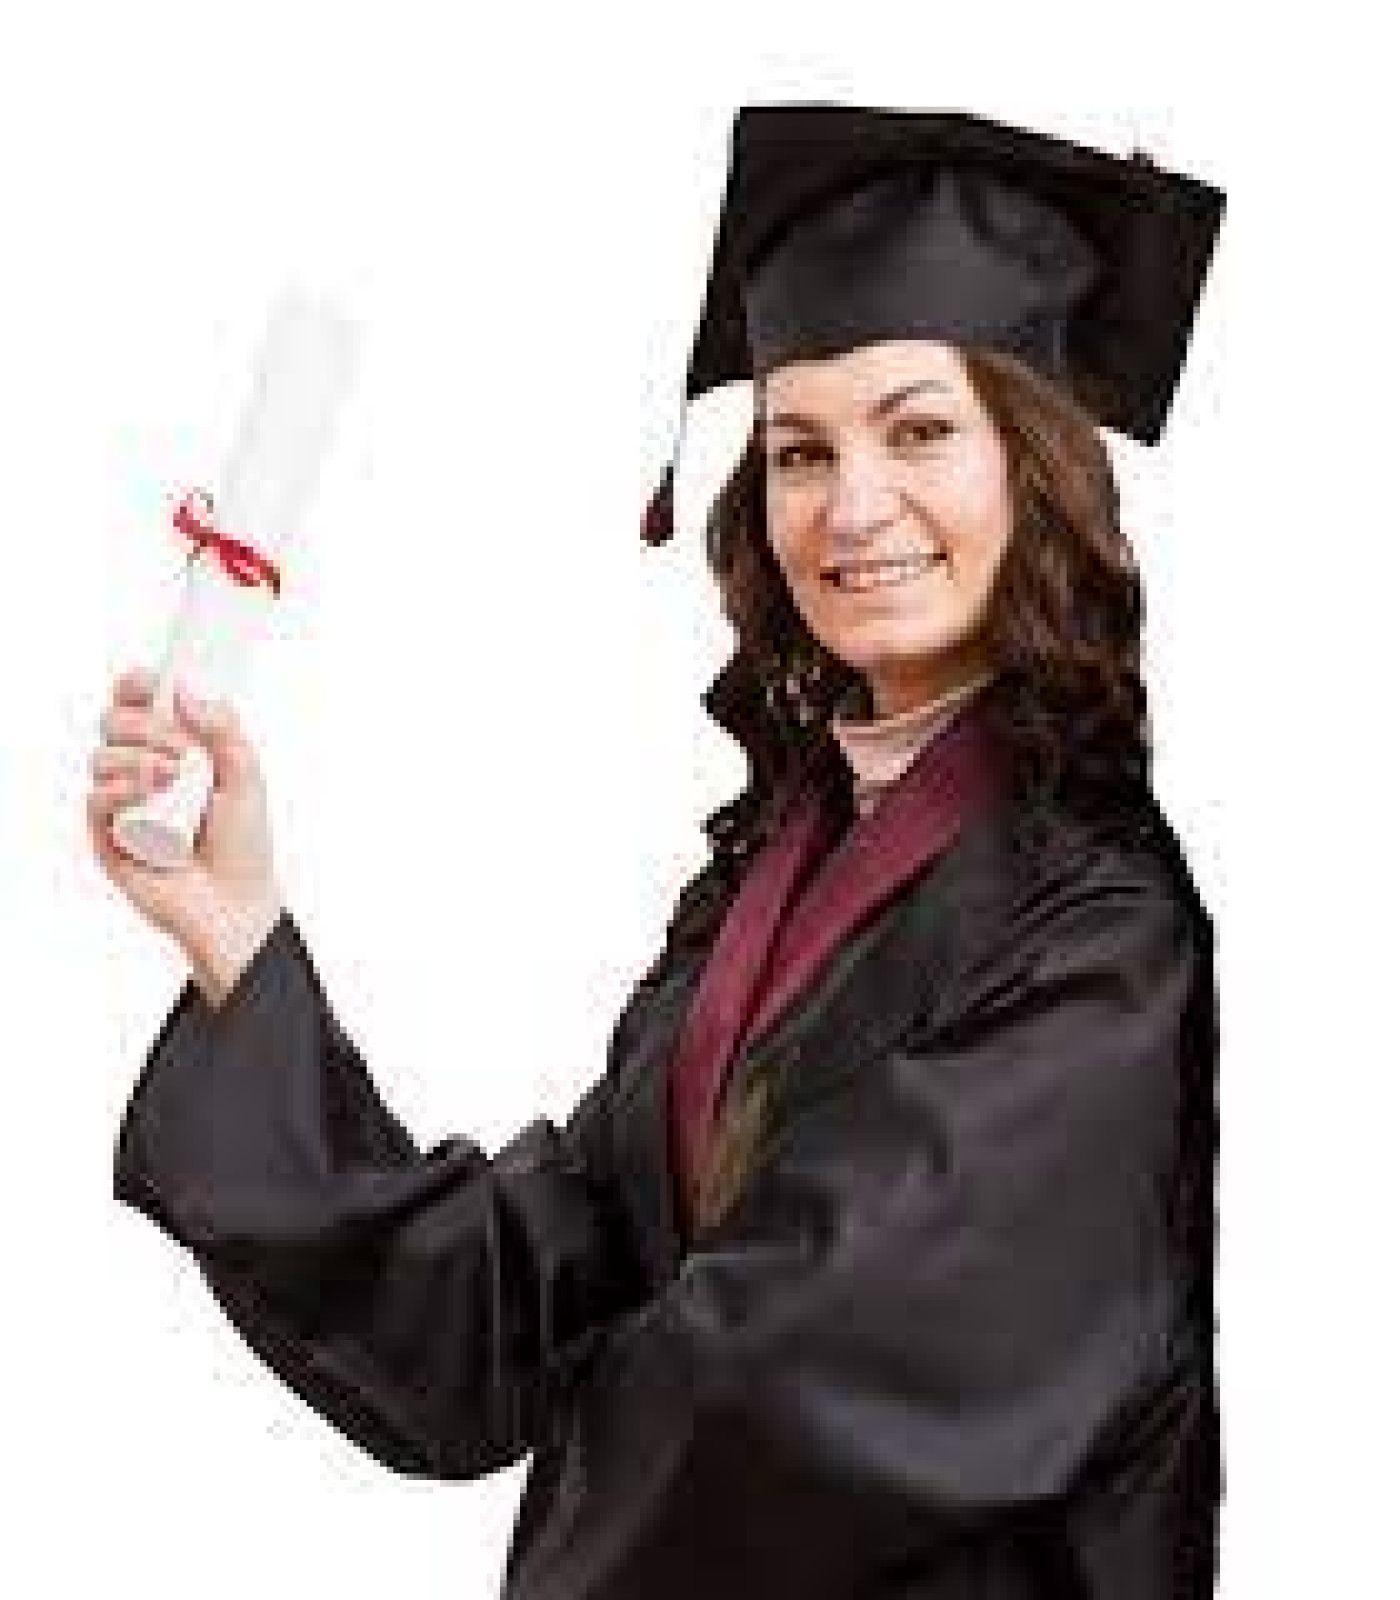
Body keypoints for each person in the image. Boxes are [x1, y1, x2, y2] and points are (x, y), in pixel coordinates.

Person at [89, 104, 1226, 1597]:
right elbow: (519, 1305)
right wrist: (235, 933)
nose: (853, 505)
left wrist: (572, 1408)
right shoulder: (777, 868)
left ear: (1038, 462)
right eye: (799, 450)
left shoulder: (1100, 929)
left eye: (920, 430)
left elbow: (772, 1399)